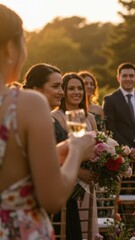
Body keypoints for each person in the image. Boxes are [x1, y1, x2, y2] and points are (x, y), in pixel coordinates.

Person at [0, 4, 94, 239]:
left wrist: (57, 152)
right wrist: (76, 150)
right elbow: (52, 198)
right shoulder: (26, 104)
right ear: (11, 47)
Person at [23, 63, 85, 239]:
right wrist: (78, 152)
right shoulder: (34, 121)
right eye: (56, 86)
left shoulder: (50, 119)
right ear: (37, 89)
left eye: (61, 87)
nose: (62, 92)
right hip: (49, 201)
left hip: (66, 197)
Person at [51, 72, 99, 238]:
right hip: (70, 182)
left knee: (88, 226)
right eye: (71, 88)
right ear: (63, 91)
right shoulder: (55, 117)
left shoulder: (90, 118)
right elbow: (56, 156)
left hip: (88, 184)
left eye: (80, 88)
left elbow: (98, 149)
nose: (76, 92)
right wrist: (81, 172)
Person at [103, 62, 135, 182]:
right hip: (120, 156)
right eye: (124, 76)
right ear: (118, 78)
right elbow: (111, 128)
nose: (128, 79)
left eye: (131, 76)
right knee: (121, 196)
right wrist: (129, 150)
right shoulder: (110, 100)